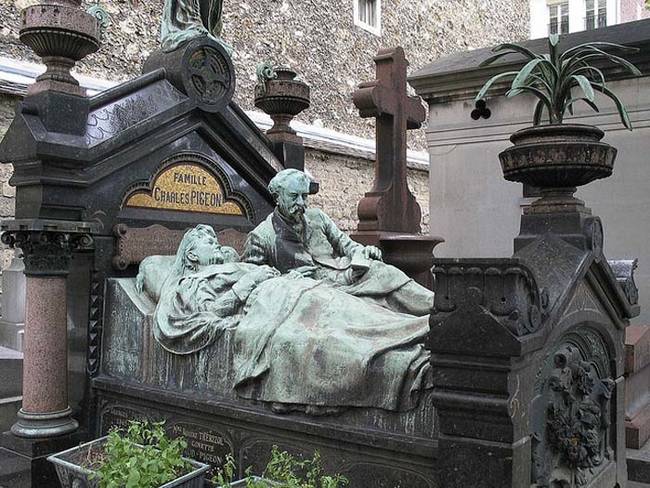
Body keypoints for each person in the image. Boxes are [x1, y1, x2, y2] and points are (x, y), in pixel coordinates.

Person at [151, 225, 432, 412]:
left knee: (349, 308)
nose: (217, 245)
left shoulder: (233, 265)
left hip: (287, 290)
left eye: (215, 240)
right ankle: (408, 341)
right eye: (208, 242)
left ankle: (415, 328)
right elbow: (208, 315)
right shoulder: (189, 284)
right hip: (269, 304)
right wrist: (251, 282)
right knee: (335, 330)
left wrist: (280, 278)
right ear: (190, 253)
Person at [241, 169, 434, 316]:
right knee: (368, 305)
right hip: (314, 290)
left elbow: (346, 244)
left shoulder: (317, 217)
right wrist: (287, 280)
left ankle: (438, 307)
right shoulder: (261, 236)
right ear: (277, 198)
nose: (301, 202)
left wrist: (363, 251)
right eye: (294, 197)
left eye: (305, 196)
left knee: (385, 272)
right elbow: (253, 283)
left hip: (345, 273)